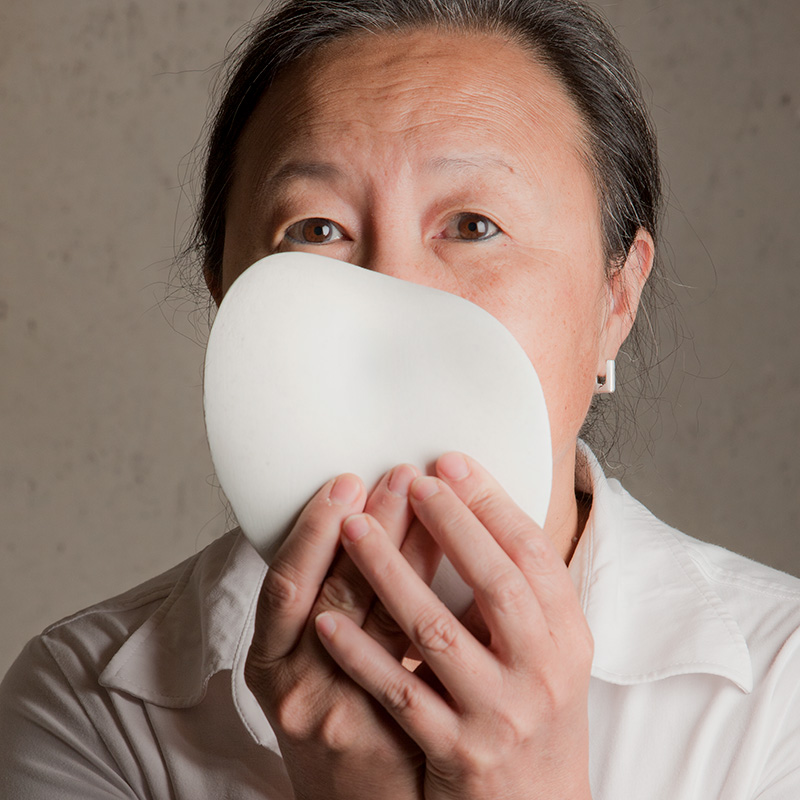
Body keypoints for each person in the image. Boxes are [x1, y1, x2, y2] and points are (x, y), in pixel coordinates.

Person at [1, 0, 799, 797]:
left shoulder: (781, 688)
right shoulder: (84, 706)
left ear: (614, 302)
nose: (390, 289)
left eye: (474, 225)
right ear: (226, 299)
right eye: (316, 230)